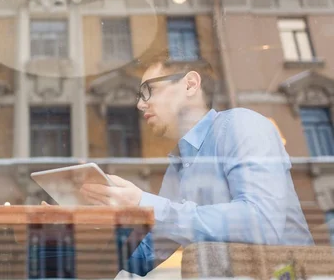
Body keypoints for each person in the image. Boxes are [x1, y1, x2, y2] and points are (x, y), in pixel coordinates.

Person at [80, 53, 314, 276]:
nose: (140, 105)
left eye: (148, 91)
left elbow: (261, 223)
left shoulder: (241, 125)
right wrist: (79, 224)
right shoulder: (180, 164)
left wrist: (143, 202)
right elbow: (145, 256)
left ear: (190, 84)